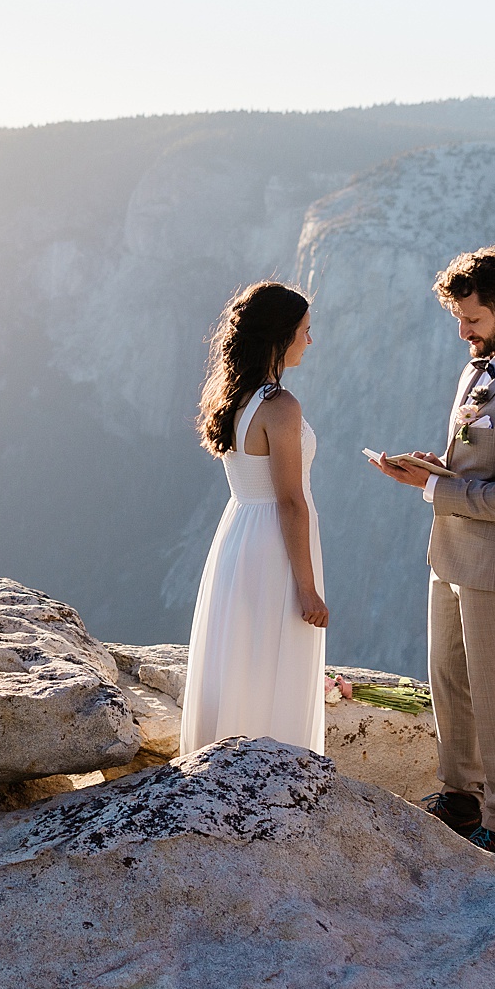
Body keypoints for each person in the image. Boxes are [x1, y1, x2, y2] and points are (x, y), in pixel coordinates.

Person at [370, 246, 495, 866]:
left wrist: (430, 488)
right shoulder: (476, 370)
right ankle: (460, 796)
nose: (463, 333)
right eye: (459, 320)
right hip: (452, 552)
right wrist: (432, 467)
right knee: (448, 683)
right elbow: (473, 459)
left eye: (473, 320)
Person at [179, 280, 327, 755]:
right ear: (280, 337)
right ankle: (276, 777)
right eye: (305, 330)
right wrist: (307, 588)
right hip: (274, 544)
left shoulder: (234, 398)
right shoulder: (280, 407)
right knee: (273, 659)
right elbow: (289, 501)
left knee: (240, 654)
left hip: (238, 533)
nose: (310, 340)